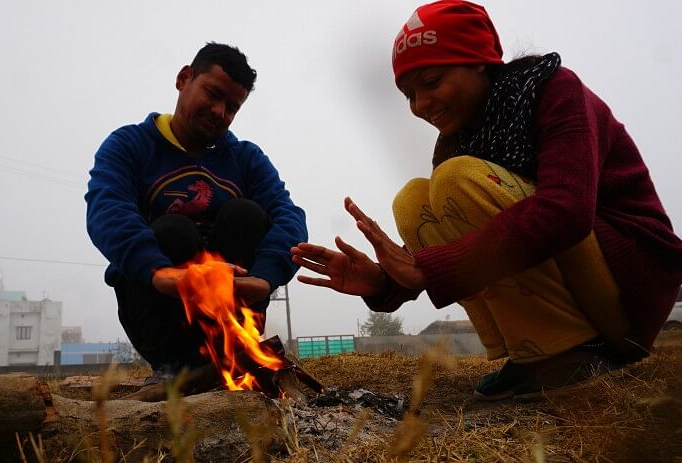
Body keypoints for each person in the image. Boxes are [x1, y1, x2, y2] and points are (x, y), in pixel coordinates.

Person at [291, 0, 682, 400]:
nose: (420, 105)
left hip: (629, 282)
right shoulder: (457, 139)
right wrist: (381, 281)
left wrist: (431, 271)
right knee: (414, 199)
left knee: (456, 178)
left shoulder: (553, 90)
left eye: (432, 81)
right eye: (409, 94)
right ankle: (534, 354)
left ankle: (572, 351)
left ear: (477, 61)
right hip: (580, 269)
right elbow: (451, 234)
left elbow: (566, 212)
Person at [86, 43, 307, 382]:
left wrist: (265, 277)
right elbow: (107, 209)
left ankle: (233, 352)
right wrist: (163, 274)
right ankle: (177, 365)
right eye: (213, 94)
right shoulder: (130, 146)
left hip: (232, 312)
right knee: (173, 231)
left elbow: (289, 216)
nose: (220, 111)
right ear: (183, 78)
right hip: (159, 311)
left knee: (245, 214)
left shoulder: (245, 159)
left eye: (232, 107)